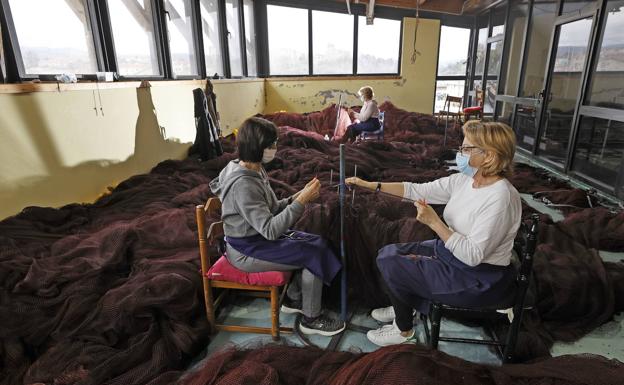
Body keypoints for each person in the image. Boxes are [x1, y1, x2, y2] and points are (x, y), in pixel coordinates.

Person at [346, 121, 522, 346]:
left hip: (477, 277)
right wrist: (371, 185)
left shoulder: (500, 198)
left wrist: (435, 223)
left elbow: (473, 255)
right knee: (386, 253)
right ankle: (404, 304)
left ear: (489, 157)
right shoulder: (464, 181)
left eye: (467, 149)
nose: (460, 153)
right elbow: (416, 190)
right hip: (451, 254)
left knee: (393, 264)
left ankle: (403, 331)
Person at [209, 117, 345, 336]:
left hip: (257, 238)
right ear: (256, 147)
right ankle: (311, 319)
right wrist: (301, 202)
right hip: (246, 250)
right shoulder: (243, 184)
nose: (275, 148)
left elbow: (272, 207)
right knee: (313, 254)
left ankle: (293, 299)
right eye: (270, 144)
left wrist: (298, 196)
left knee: (318, 242)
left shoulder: (254, 169)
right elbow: (271, 230)